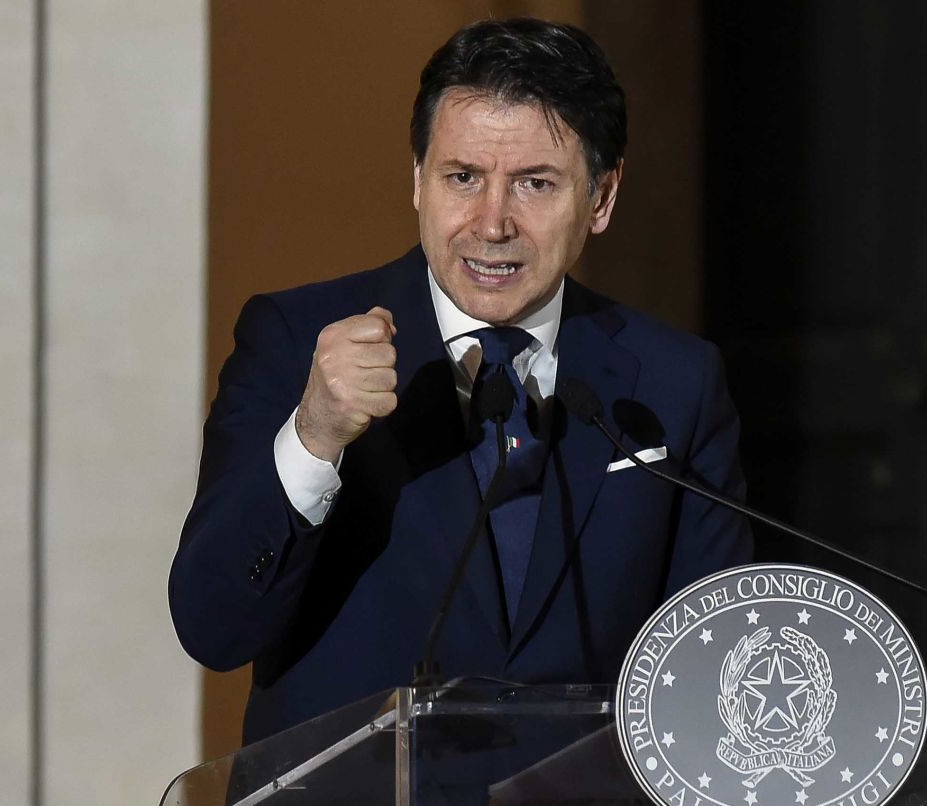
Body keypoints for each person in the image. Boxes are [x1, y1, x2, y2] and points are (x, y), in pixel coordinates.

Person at [170, 17, 753, 745]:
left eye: (536, 183)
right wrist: (314, 435)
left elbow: (717, 663)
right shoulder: (296, 342)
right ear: (417, 179)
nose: (491, 222)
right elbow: (213, 627)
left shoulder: (673, 380)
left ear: (601, 198)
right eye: (463, 177)